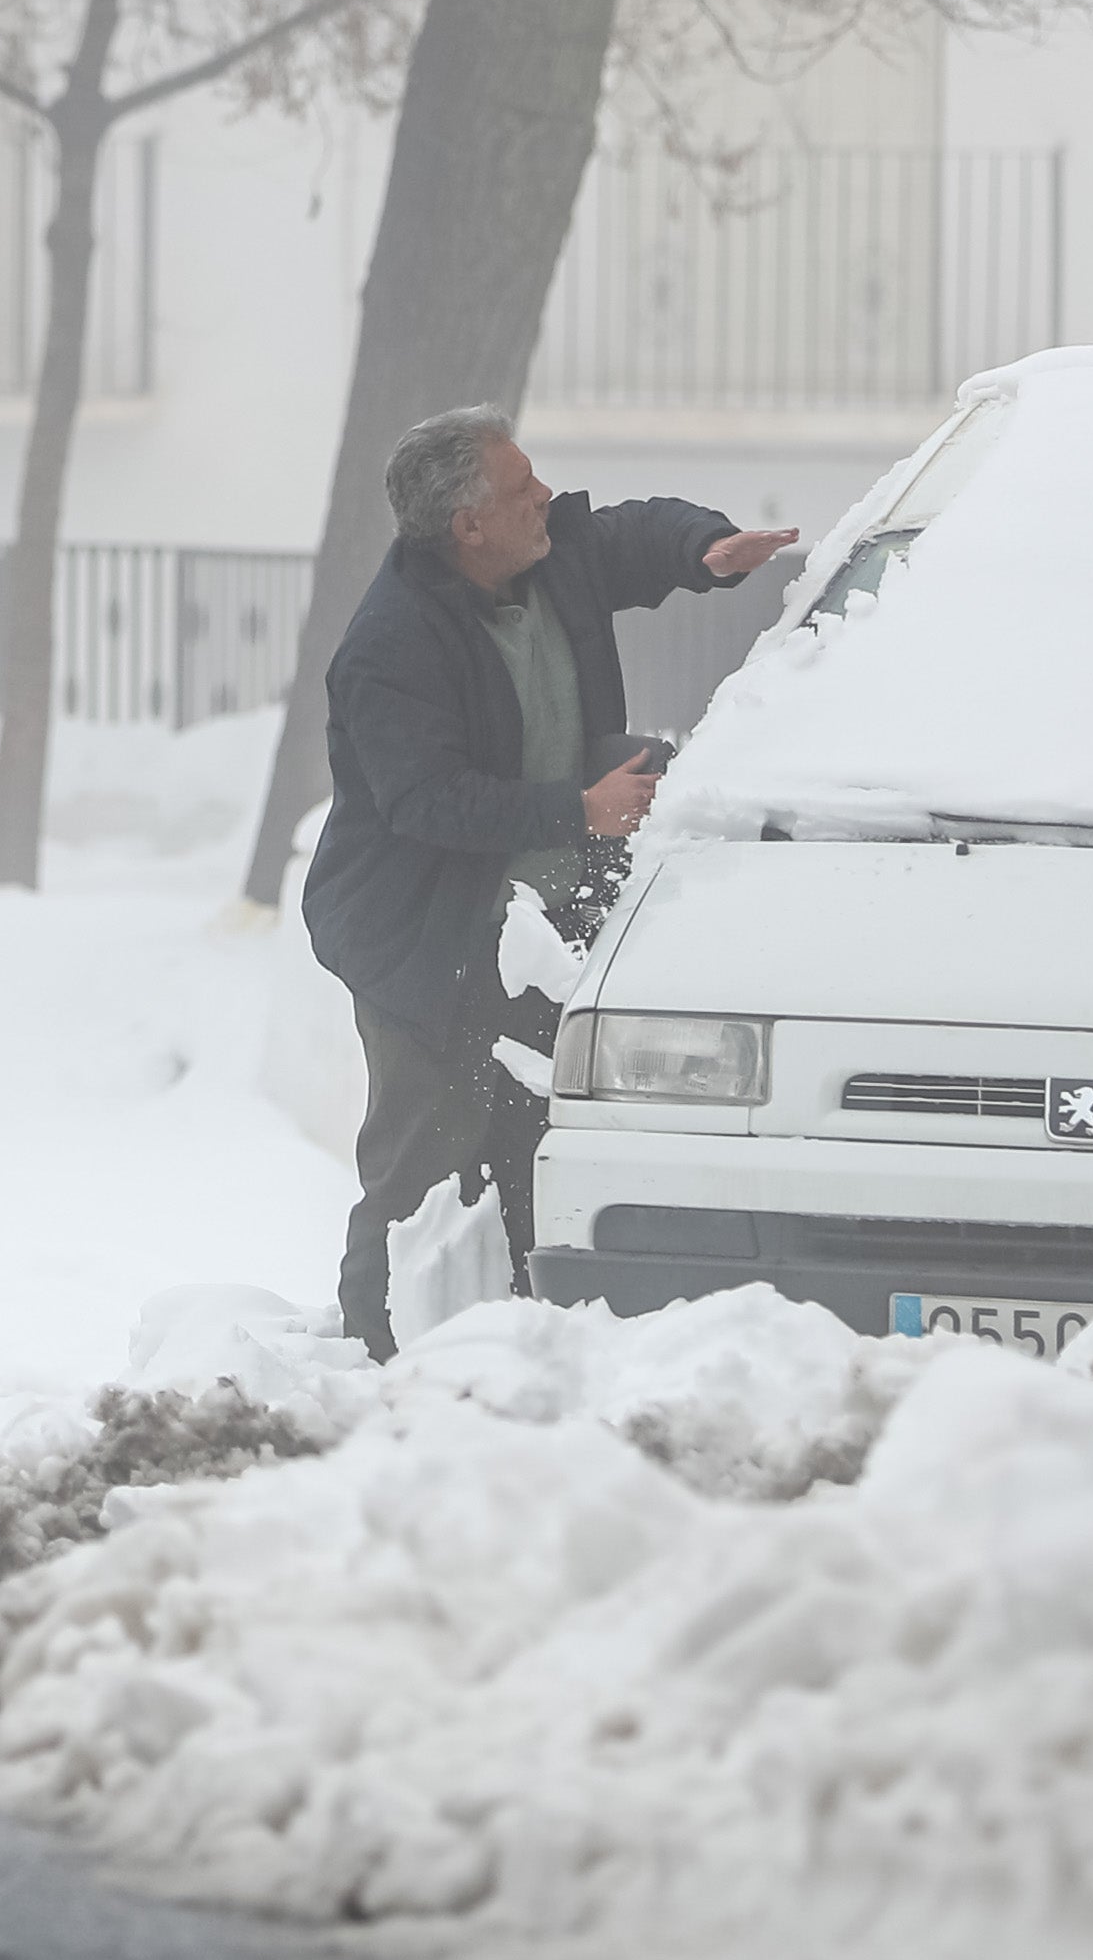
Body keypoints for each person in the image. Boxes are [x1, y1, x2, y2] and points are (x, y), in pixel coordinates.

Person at [304, 406, 795, 1355]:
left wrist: (706, 547)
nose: (544, 497)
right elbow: (425, 801)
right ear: (467, 526)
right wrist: (580, 810)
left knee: (532, 1140)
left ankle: (528, 1344)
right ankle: (373, 1351)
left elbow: (632, 532)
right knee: (422, 1160)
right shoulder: (391, 644)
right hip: (421, 933)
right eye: (519, 486)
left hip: (545, 917)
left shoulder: (545, 557)